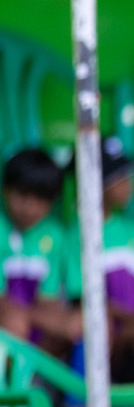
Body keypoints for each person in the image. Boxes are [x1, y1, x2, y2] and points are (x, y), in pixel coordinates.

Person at [64, 138, 134, 384]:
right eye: (119, 177)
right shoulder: (73, 234)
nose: (129, 184)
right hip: (105, 326)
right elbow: (80, 297)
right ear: (94, 181)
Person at [1, 149, 77, 352]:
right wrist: (33, 317)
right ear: (5, 189)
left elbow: (47, 298)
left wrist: (63, 321)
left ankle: (50, 380)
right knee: (14, 323)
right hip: (10, 323)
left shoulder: (56, 236)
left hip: (33, 324)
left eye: (40, 199)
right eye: (22, 195)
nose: (29, 207)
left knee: (78, 324)